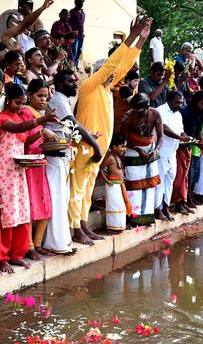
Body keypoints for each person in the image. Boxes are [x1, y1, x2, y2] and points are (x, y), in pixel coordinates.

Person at [69, 17, 150, 245]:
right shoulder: (90, 86)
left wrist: (141, 41)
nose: (114, 77)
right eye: (109, 74)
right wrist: (132, 35)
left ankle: (82, 224)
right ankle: (75, 227)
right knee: (78, 189)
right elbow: (113, 65)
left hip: (99, 148)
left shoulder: (106, 89)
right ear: (99, 73)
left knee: (86, 189)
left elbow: (122, 66)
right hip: (86, 145)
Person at [0, 84, 58, 273]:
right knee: (6, 216)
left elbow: (26, 139)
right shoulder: (1, 118)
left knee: (21, 212)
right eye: (17, 103)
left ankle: (16, 254)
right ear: (8, 100)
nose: (20, 107)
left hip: (18, 171)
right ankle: (1, 257)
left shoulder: (18, 116)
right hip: (2, 173)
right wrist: (42, 120)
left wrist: (41, 132)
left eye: (23, 104)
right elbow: (19, 128)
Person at [44, 70, 97, 254]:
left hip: (63, 157)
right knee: (57, 199)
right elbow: (73, 123)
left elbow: (69, 129)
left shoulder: (64, 99)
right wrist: (94, 143)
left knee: (62, 198)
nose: (75, 84)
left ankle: (61, 242)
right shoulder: (58, 99)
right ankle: (56, 244)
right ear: (59, 85)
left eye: (75, 81)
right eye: (71, 81)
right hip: (54, 158)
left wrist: (88, 136)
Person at [21, 79, 54, 258]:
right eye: (39, 96)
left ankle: (38, 242)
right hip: (28, 163)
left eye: (46, 97)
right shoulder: (26, 112)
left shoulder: (41, 113)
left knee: (45, 204)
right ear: (29, 96)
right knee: (30, 205)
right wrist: (41, 133)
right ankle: (30, 246)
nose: (43, 100)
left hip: (39, 163)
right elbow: (25, 140)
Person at [120, 93, 163, 225]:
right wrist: (138, 149)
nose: (137, 114)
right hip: (132, 151)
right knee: (133, 185)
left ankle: (147, 217)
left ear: (148, 107)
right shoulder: (128, 116)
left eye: (140, 112)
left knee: (150, 185)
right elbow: (122, 138)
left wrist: (156, 151)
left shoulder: (156, 115)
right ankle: (133, 217)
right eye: (135, 111)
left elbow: (161, 137)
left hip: (151, 151)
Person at [155, 91, 190, 218]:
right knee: (160, 181)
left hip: (172, 152)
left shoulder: (178, 114)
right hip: (161, 152)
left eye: (181, 102)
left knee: (170, 180)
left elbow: (181, 132)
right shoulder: (160, 111)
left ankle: (166, 207)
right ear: (169, 100)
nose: (179, 105)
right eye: (177, 102)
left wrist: (187, 137)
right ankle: (157, 209)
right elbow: (164, 129)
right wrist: (180, 138)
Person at [99, 134, 131, 232]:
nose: (124, 149)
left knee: (120, 205)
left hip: (118, 185)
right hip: (112, 185)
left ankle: (119, 226)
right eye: (122, 146)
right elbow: (100, 168)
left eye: (125, 146)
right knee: (115, 205)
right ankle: (113, 227)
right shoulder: (110, 158)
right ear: (114, 147)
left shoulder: (117, 157)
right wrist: (106, 180)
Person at [69, 0, 85, 69]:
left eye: (82, 2)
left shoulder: (83, 13)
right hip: (74, 36)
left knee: (79, 52)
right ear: (75, 3)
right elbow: (67, 23)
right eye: (80, 2)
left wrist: (83, 33)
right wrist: (71, 32)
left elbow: (82, 24)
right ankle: (72, 67)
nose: (81, 3)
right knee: (74, 52)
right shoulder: (72, 12)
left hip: (81, 36)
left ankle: (76, 65)